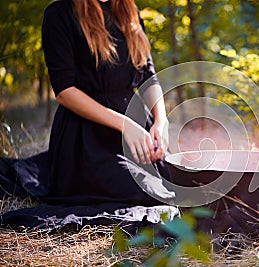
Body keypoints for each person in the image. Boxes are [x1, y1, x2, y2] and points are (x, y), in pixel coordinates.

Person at [0, 0, 177, 230]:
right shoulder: (60, 14)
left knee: (177, 184)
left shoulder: (128, 11)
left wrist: (161, 121)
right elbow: (64, 92)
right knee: (148, 191)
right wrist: (125, 125)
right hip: (85, 139)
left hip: (135, 130)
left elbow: (147, 76)